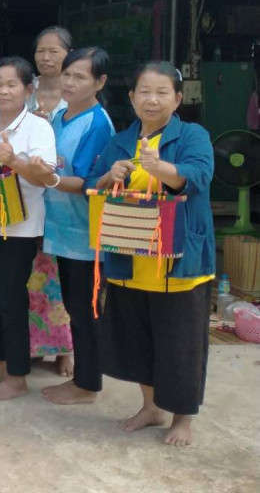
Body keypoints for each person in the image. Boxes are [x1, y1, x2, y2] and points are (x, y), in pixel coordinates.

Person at [86, 62, 215, 447]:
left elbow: (200, 176)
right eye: (144, 91)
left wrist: (160, 168)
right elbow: (94, 184)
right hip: (130, 254)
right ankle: (151, 406)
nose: (152, 99)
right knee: (138, 338)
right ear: (132, 97)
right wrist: (109, 175)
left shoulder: (192, 135)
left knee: (181, 345)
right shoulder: (122, 140)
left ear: (177, 99)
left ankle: (182, 418)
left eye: (162, 92)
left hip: (179, 263)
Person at [0, 56, 57, 401]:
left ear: (28, 90)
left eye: (11, 84)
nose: (2, 91)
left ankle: (17, 376)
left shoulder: (38, 128)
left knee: (9, 301)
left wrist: (14, 160)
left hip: (19, 227)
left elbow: (46, 177)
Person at [36, 48, 114, 405]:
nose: (69, 82)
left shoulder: (97, 124)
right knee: (74, 305)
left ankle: (87, 384)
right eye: (67, 74)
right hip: (61, 228)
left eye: (80, 77)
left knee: (85, 310)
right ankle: (83, 379)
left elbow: (84, 181)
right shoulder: (59, 116)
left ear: (100, 82)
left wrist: (44, 177)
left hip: (85, 232)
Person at [26, 26, 74, 375]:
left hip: (63, 197)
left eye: (54, 51)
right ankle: (32, 345)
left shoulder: (77, 93)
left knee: (60, 276)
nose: (45, 57)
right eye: (41, 50)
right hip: (27, 193)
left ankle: (65, 349)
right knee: (30, 275)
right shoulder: (24, 88)